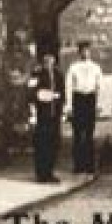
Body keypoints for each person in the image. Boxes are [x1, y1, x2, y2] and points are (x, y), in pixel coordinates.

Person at [27, 48, 64, 182]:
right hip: (42, 115)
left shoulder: (58, 75)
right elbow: (32, 94)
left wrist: (62, 109)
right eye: (46, 58)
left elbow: (61, 94)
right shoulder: (36, 74)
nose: (49, 60)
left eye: (51, 58)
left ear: (54, 60)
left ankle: (50, 172)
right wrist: (32, 114)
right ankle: (41, 173)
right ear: (42, 60)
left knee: (53, 144)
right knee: (42, 144)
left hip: (55, 115)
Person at [66, 41, 103, 173]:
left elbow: (99, 87)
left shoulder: (96, 67)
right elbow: (69, 87)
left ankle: (89, 165)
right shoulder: (73, 67)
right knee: (77, 134)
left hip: (90, 99)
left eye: (87, 50)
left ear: (90, 51)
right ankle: (78, 165)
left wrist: (99, 105)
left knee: (89, 134)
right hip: (78, 99)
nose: (85, 53)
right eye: (82, 50)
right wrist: (69, 106)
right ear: (79, 52)